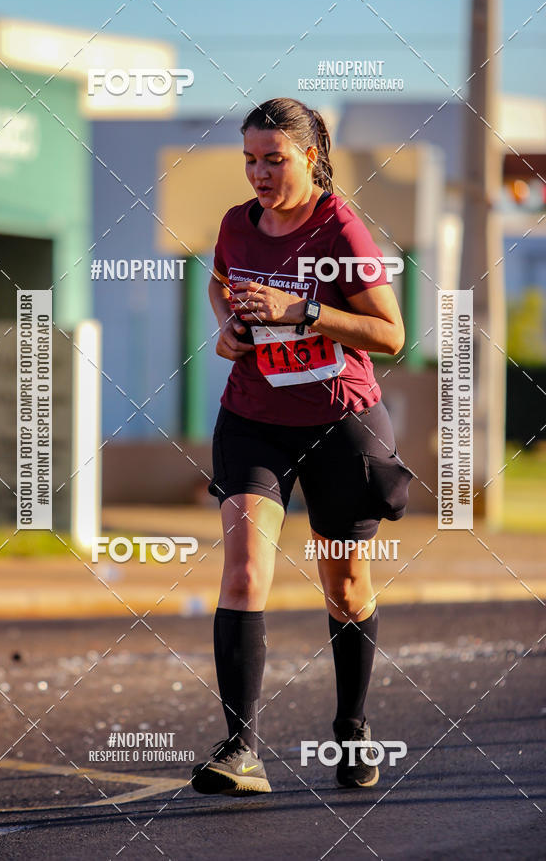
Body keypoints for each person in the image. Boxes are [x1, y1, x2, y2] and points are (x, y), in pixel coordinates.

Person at [191, 97, 412, 797]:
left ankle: (352, 726)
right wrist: (227, 326)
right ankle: (240, 749)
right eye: (250, 159)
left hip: (338, 422)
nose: (259, 172)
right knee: (244, 568)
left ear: (310, 156)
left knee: (344, 582)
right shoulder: (236, 224)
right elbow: (219, 282)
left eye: (273, 159)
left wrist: (304, 309)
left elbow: (390, 335)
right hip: (253, 416)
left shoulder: (340, 227)